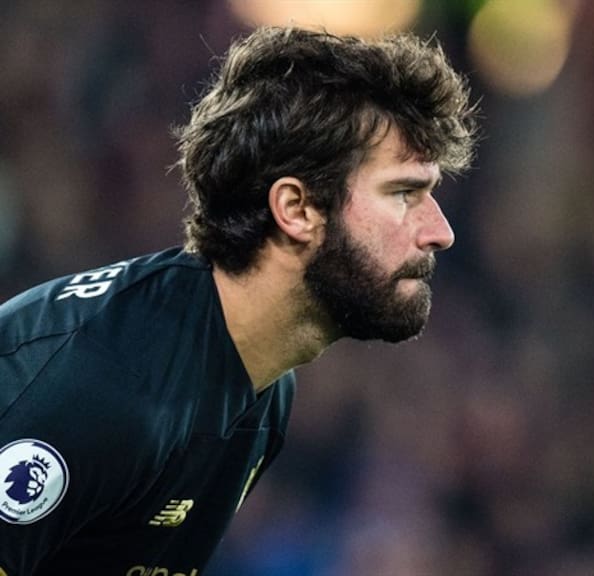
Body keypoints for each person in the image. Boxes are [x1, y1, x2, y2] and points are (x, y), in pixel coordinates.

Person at [0, 25, 478, 575]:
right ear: (296, 209)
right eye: (404, 193)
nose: (440, 231)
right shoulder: (102, 387)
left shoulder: (262, 390)